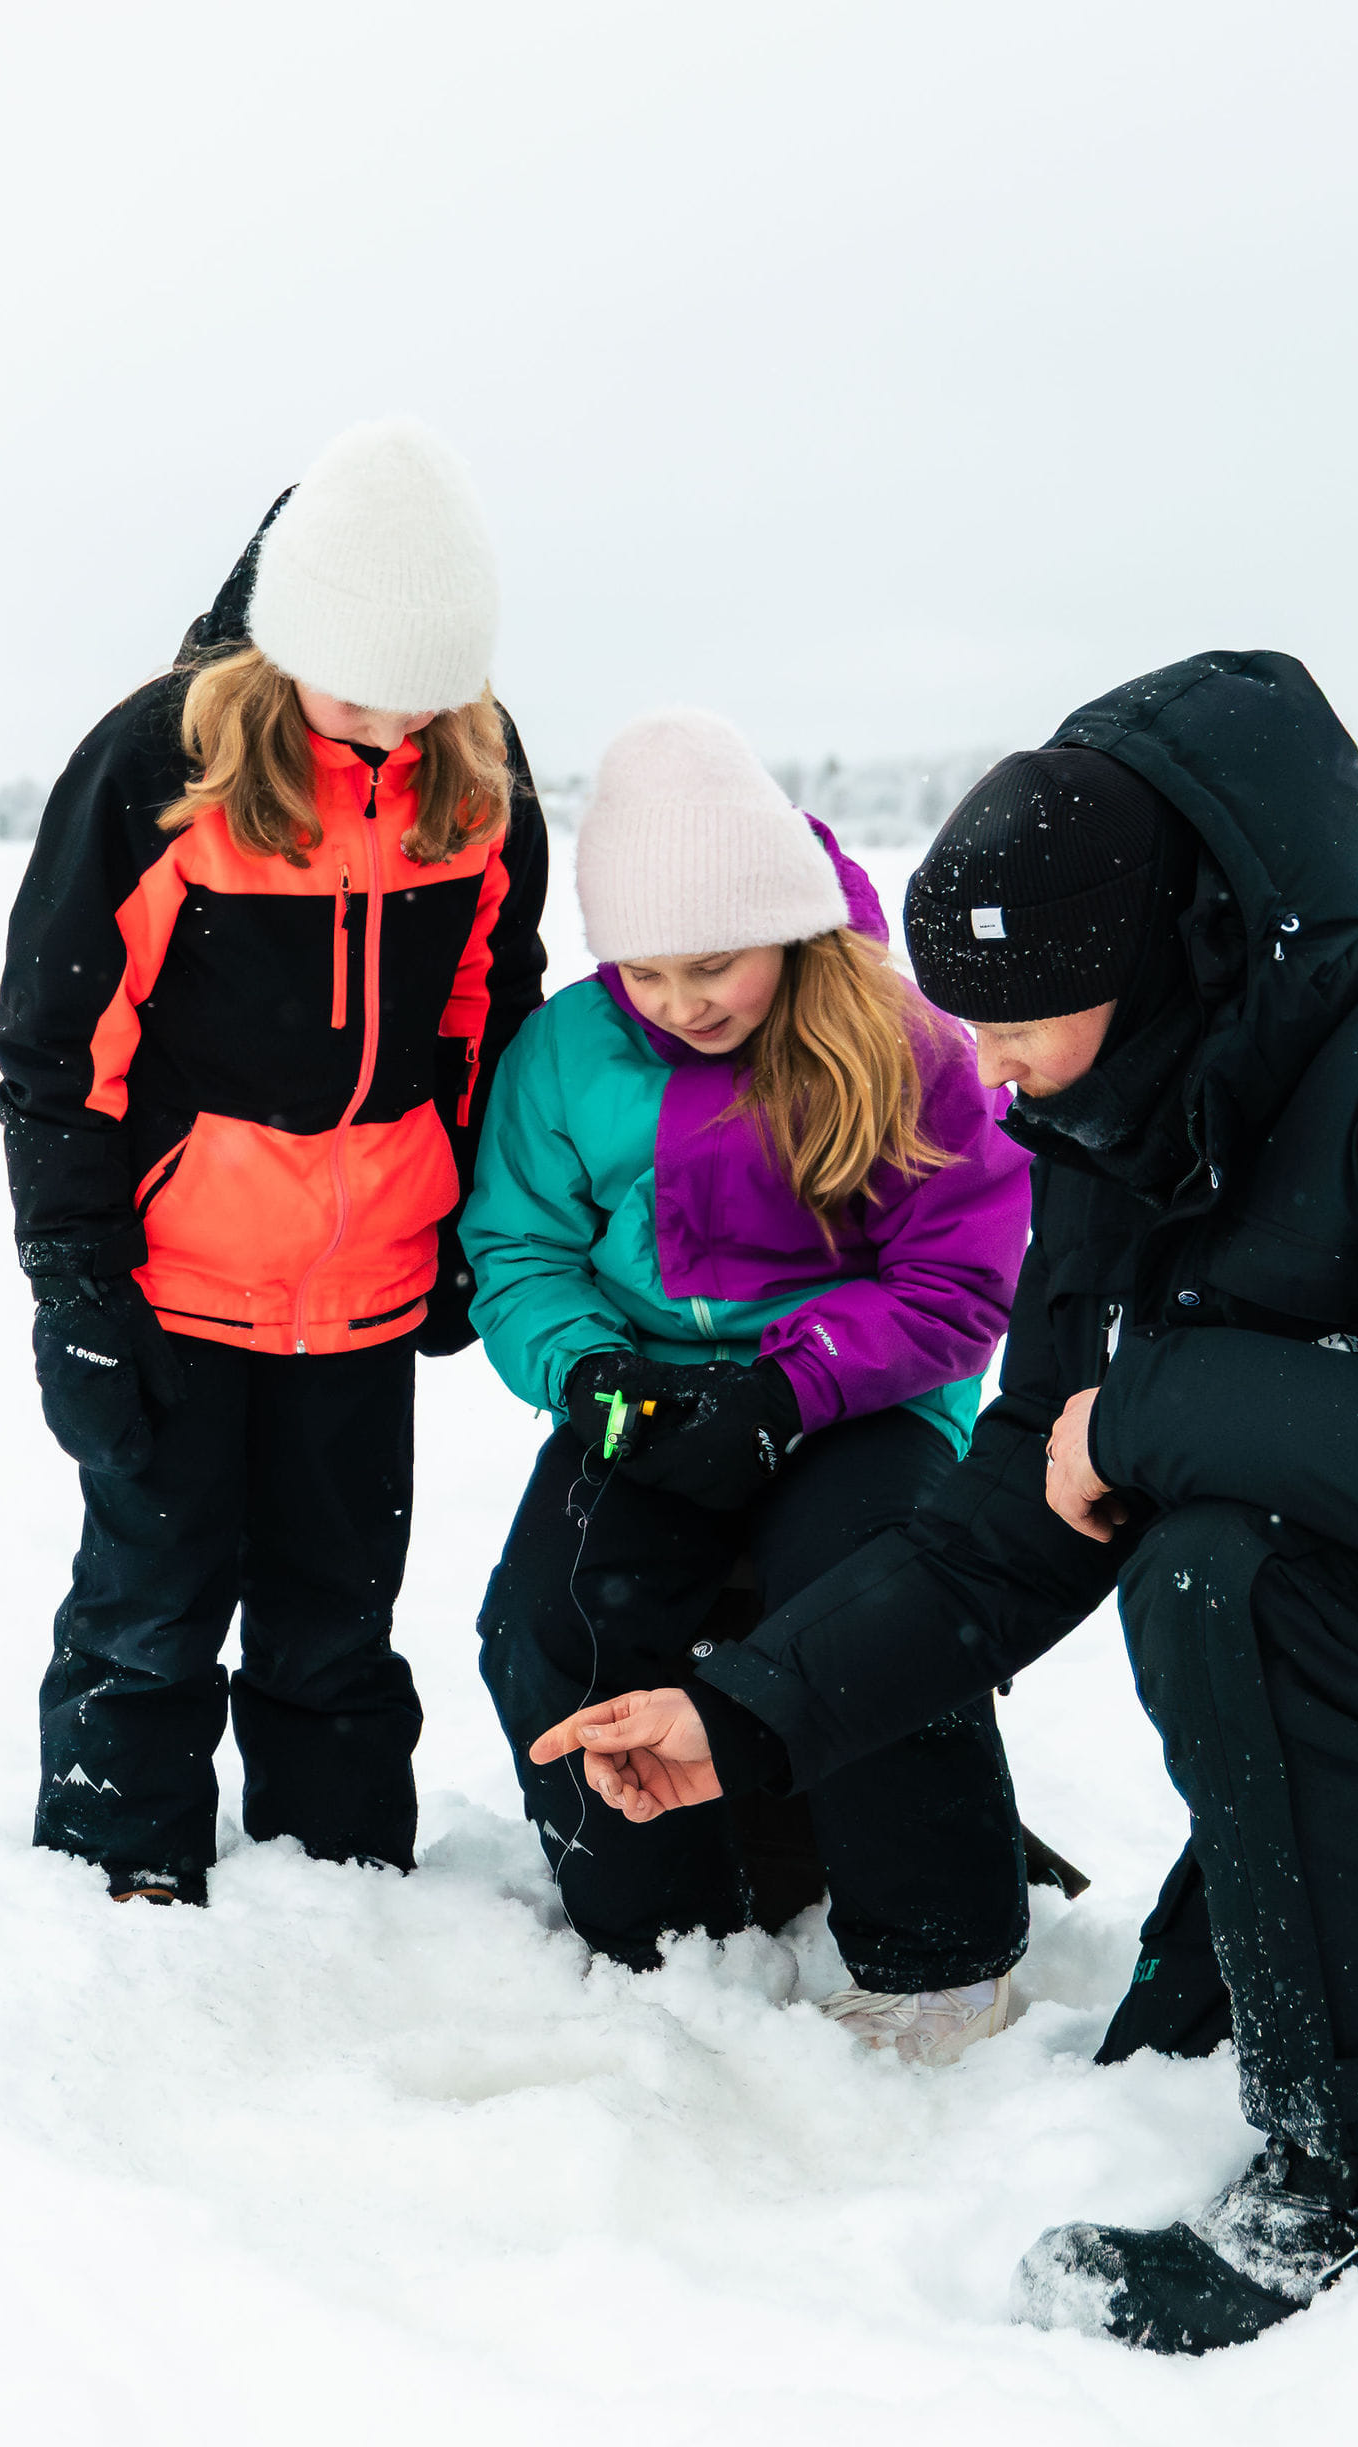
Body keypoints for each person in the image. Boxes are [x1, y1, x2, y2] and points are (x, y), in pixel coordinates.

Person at [528, 651, 1358, 2344]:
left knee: (1224, 1571)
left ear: (1149, 969)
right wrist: (748, 1714)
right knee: (1185, 2031)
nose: (982, 1076)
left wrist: (1155, 1409)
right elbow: (1017, 1514)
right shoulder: (1126, 1131)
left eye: (1010, 1025)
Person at [0, 417, 547, 1906]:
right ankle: (127, 1881)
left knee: (335, 1608)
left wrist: (469, 1238)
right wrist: (78, 1288)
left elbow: (489, 1016)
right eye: (364, 694)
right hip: (172, 1285)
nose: (390, 733)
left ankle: (345, 1878)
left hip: (366, 1286)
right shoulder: (154, 767)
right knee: (151, 1601)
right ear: (287, 641)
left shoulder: (479, 783)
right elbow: (59, 1051)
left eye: (429, 701)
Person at [462, 708, 1034, 2059]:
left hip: (856, 1401)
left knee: (876, 1598)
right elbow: (520, 1249)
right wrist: (594, 1378)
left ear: (785, 926)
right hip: (644, 1395)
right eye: (643, 974)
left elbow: (957, 1285)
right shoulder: (564, 1053)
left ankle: (942, 1956)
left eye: (714, 965)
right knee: (556, 1614)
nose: (679, 1002)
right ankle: (662, 1942)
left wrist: (784, 1394)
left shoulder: (905, 1043)